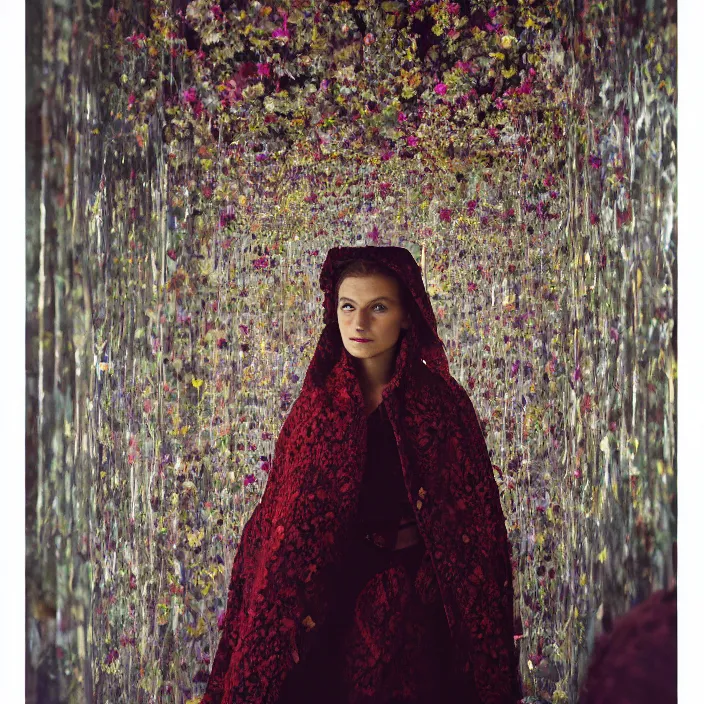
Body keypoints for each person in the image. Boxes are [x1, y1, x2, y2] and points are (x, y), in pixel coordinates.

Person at [200, 246, 522, 704]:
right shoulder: (317, 410)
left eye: (379, 308)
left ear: (408, 317)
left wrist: (436, 588)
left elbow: (475, 526)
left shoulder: (443, 406)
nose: (359, 323)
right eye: (348, 307)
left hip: (419, 602)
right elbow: (280, 522)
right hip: (335, 598)